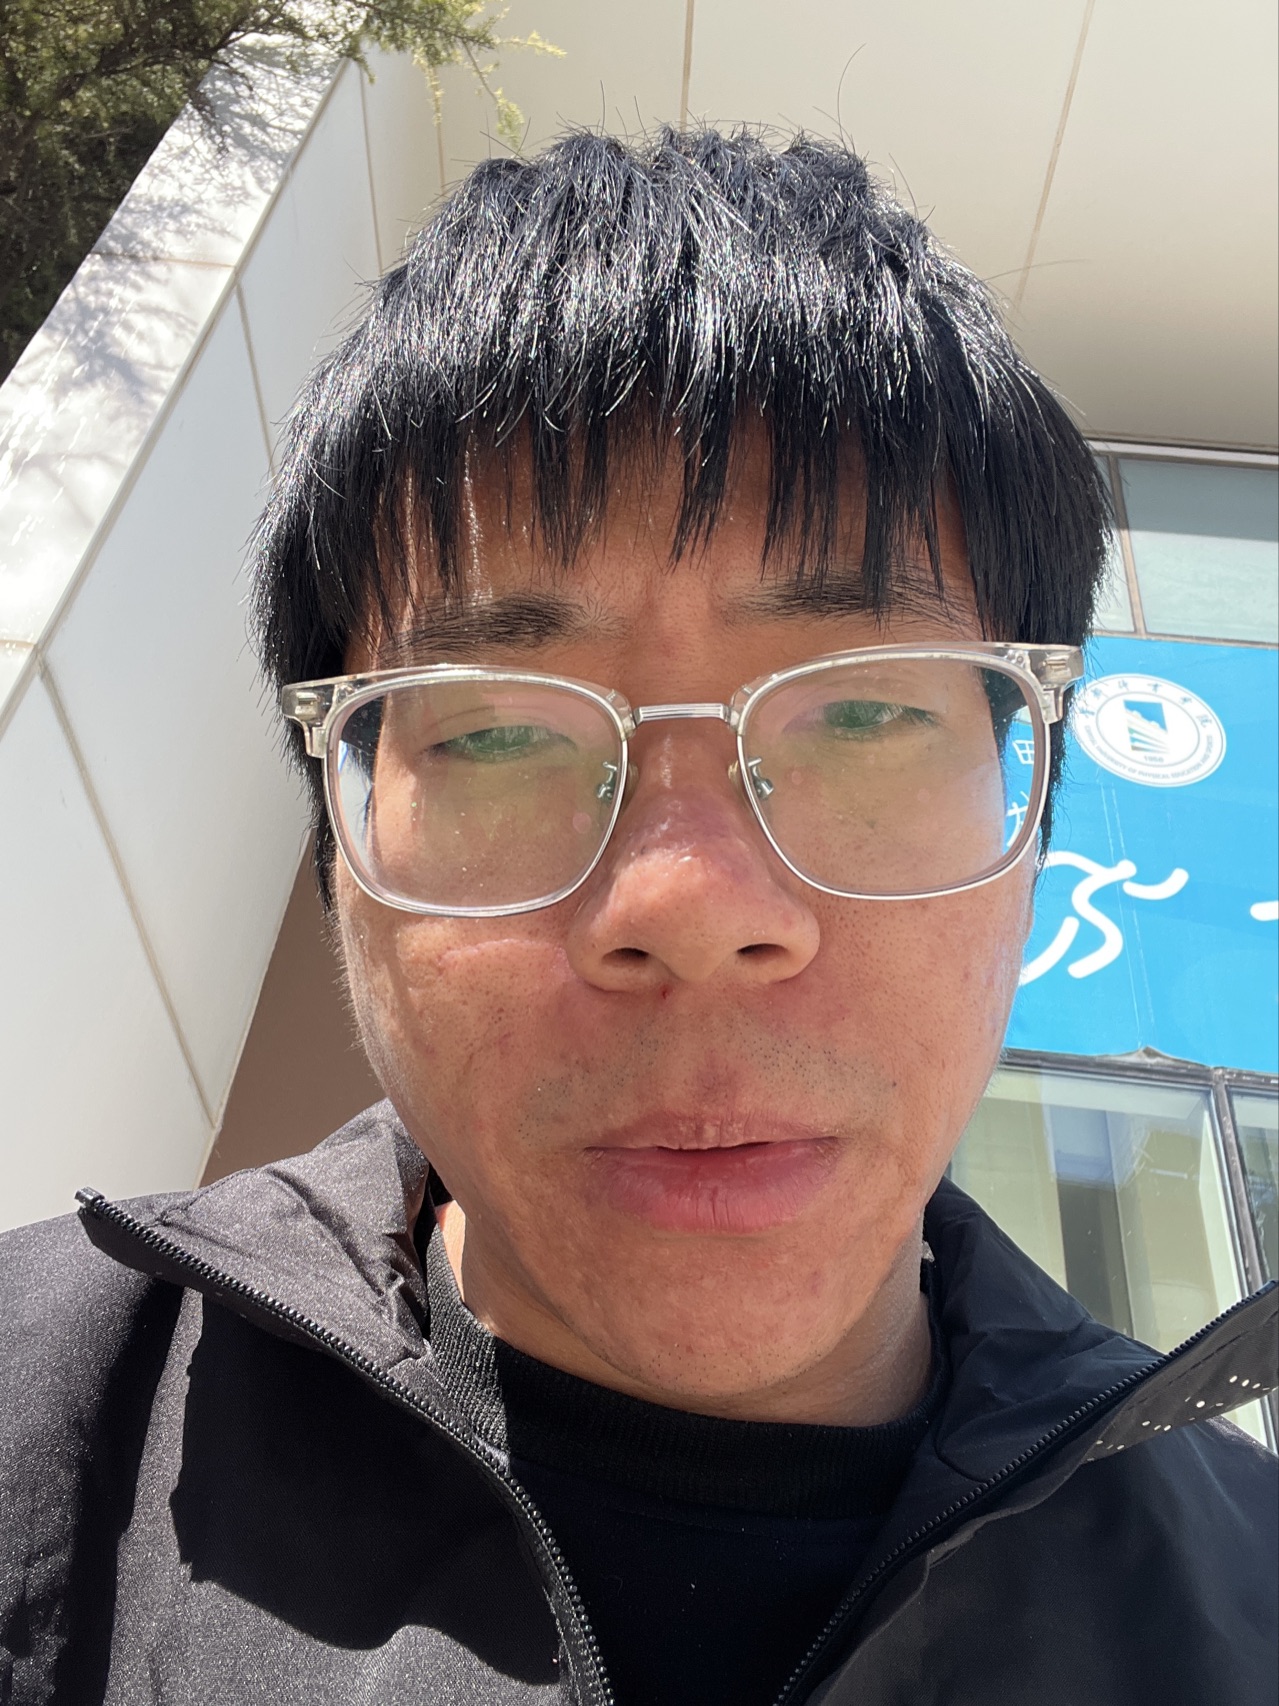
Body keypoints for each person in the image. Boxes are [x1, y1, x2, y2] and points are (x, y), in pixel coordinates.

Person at [1, 128, 1275, 1706]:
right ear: (340, 847)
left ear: (1028, 820)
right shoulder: (39, 1420)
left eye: (862, 712)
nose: (691, 904)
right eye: (497, 730)